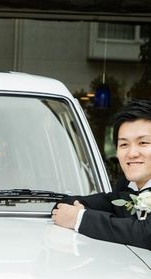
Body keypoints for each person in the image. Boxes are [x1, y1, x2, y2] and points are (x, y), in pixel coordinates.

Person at [52, 99, 151, 250]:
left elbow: (146, 234)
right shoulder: (126, 186)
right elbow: (65, 205)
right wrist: (72, 208)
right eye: (124, 144)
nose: (132, 153)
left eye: (143, 143)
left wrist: (79, 218)